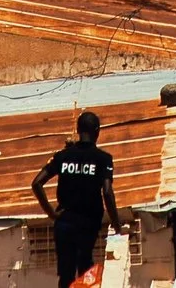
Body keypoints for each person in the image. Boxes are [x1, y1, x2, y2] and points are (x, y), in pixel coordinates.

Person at [33, 108, 120, 288]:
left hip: (64, 223)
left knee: (65, 275)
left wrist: (51, 213)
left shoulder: (62, 156)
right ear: (97, 132)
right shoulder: (103, 159)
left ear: (78, 131)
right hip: (87, 223)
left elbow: (37, 183)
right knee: (85, 270)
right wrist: (117, 224)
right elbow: (107, 192)